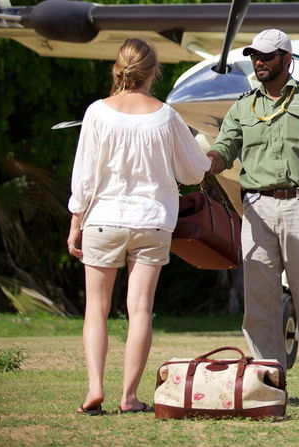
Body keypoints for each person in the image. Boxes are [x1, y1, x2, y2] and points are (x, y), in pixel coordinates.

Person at [67, 38, 211, 415]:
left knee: (96, 309)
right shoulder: (166, 116)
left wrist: (75, 221)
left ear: (119, 68)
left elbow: (83, 177)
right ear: (154, 71)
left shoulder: (97, 112)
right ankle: (129, 397)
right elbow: (195, 171)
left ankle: (94, 388)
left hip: (103, 219)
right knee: (140, 310)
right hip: (151, 222)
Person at [206, 28, 299, 402]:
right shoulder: (242, 106)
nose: (259, 62)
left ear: (287, 60)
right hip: (256, 208)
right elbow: (224, 148)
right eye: (255, 56)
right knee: (259, 300)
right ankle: (268, 381)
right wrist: (204, 163)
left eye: (267, 56)